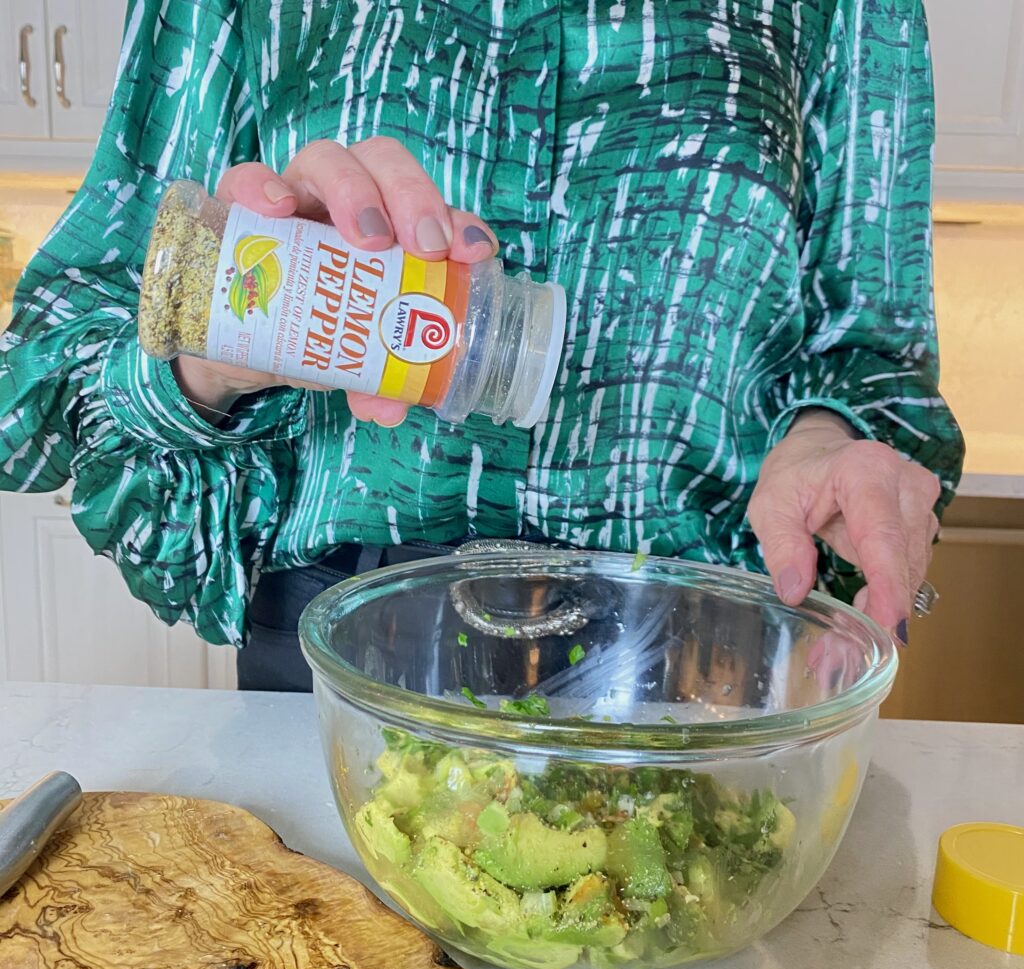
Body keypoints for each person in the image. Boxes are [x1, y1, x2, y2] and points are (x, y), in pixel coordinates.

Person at [0, 0, 963, 691]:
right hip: (341, 635)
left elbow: (872, 346)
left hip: (697, 655)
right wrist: (213, 351)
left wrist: (825, 439)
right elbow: (42, 387)